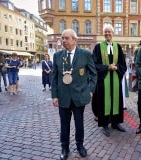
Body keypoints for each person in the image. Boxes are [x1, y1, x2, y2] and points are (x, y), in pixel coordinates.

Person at [51, 29, 97, 159]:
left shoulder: (85, 54)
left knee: (79, 123)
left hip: (79, 95)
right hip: (63, 97)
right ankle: (64, 148)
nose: (64, 41)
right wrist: (54, 95)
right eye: (62, 38)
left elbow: (93, 74)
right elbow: (54, 77)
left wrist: (91, 90)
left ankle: (80, 146)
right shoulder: (57, 56)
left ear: (75, 40)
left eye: (67, 38)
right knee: (64, 124)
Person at [92, 24, 127, 137]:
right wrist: (107, 67)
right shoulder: (98, 47)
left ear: (113, 33)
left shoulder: (118, 46)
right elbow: (94, 64)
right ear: (103, 33)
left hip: (115, 79)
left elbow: (123, 64)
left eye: (109, 31)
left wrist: (116, 67)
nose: (107, 33)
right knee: (104, 102)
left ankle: (115, 123)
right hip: (103, 80)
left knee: (116, 100)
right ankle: (105, 124)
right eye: (105, 31)